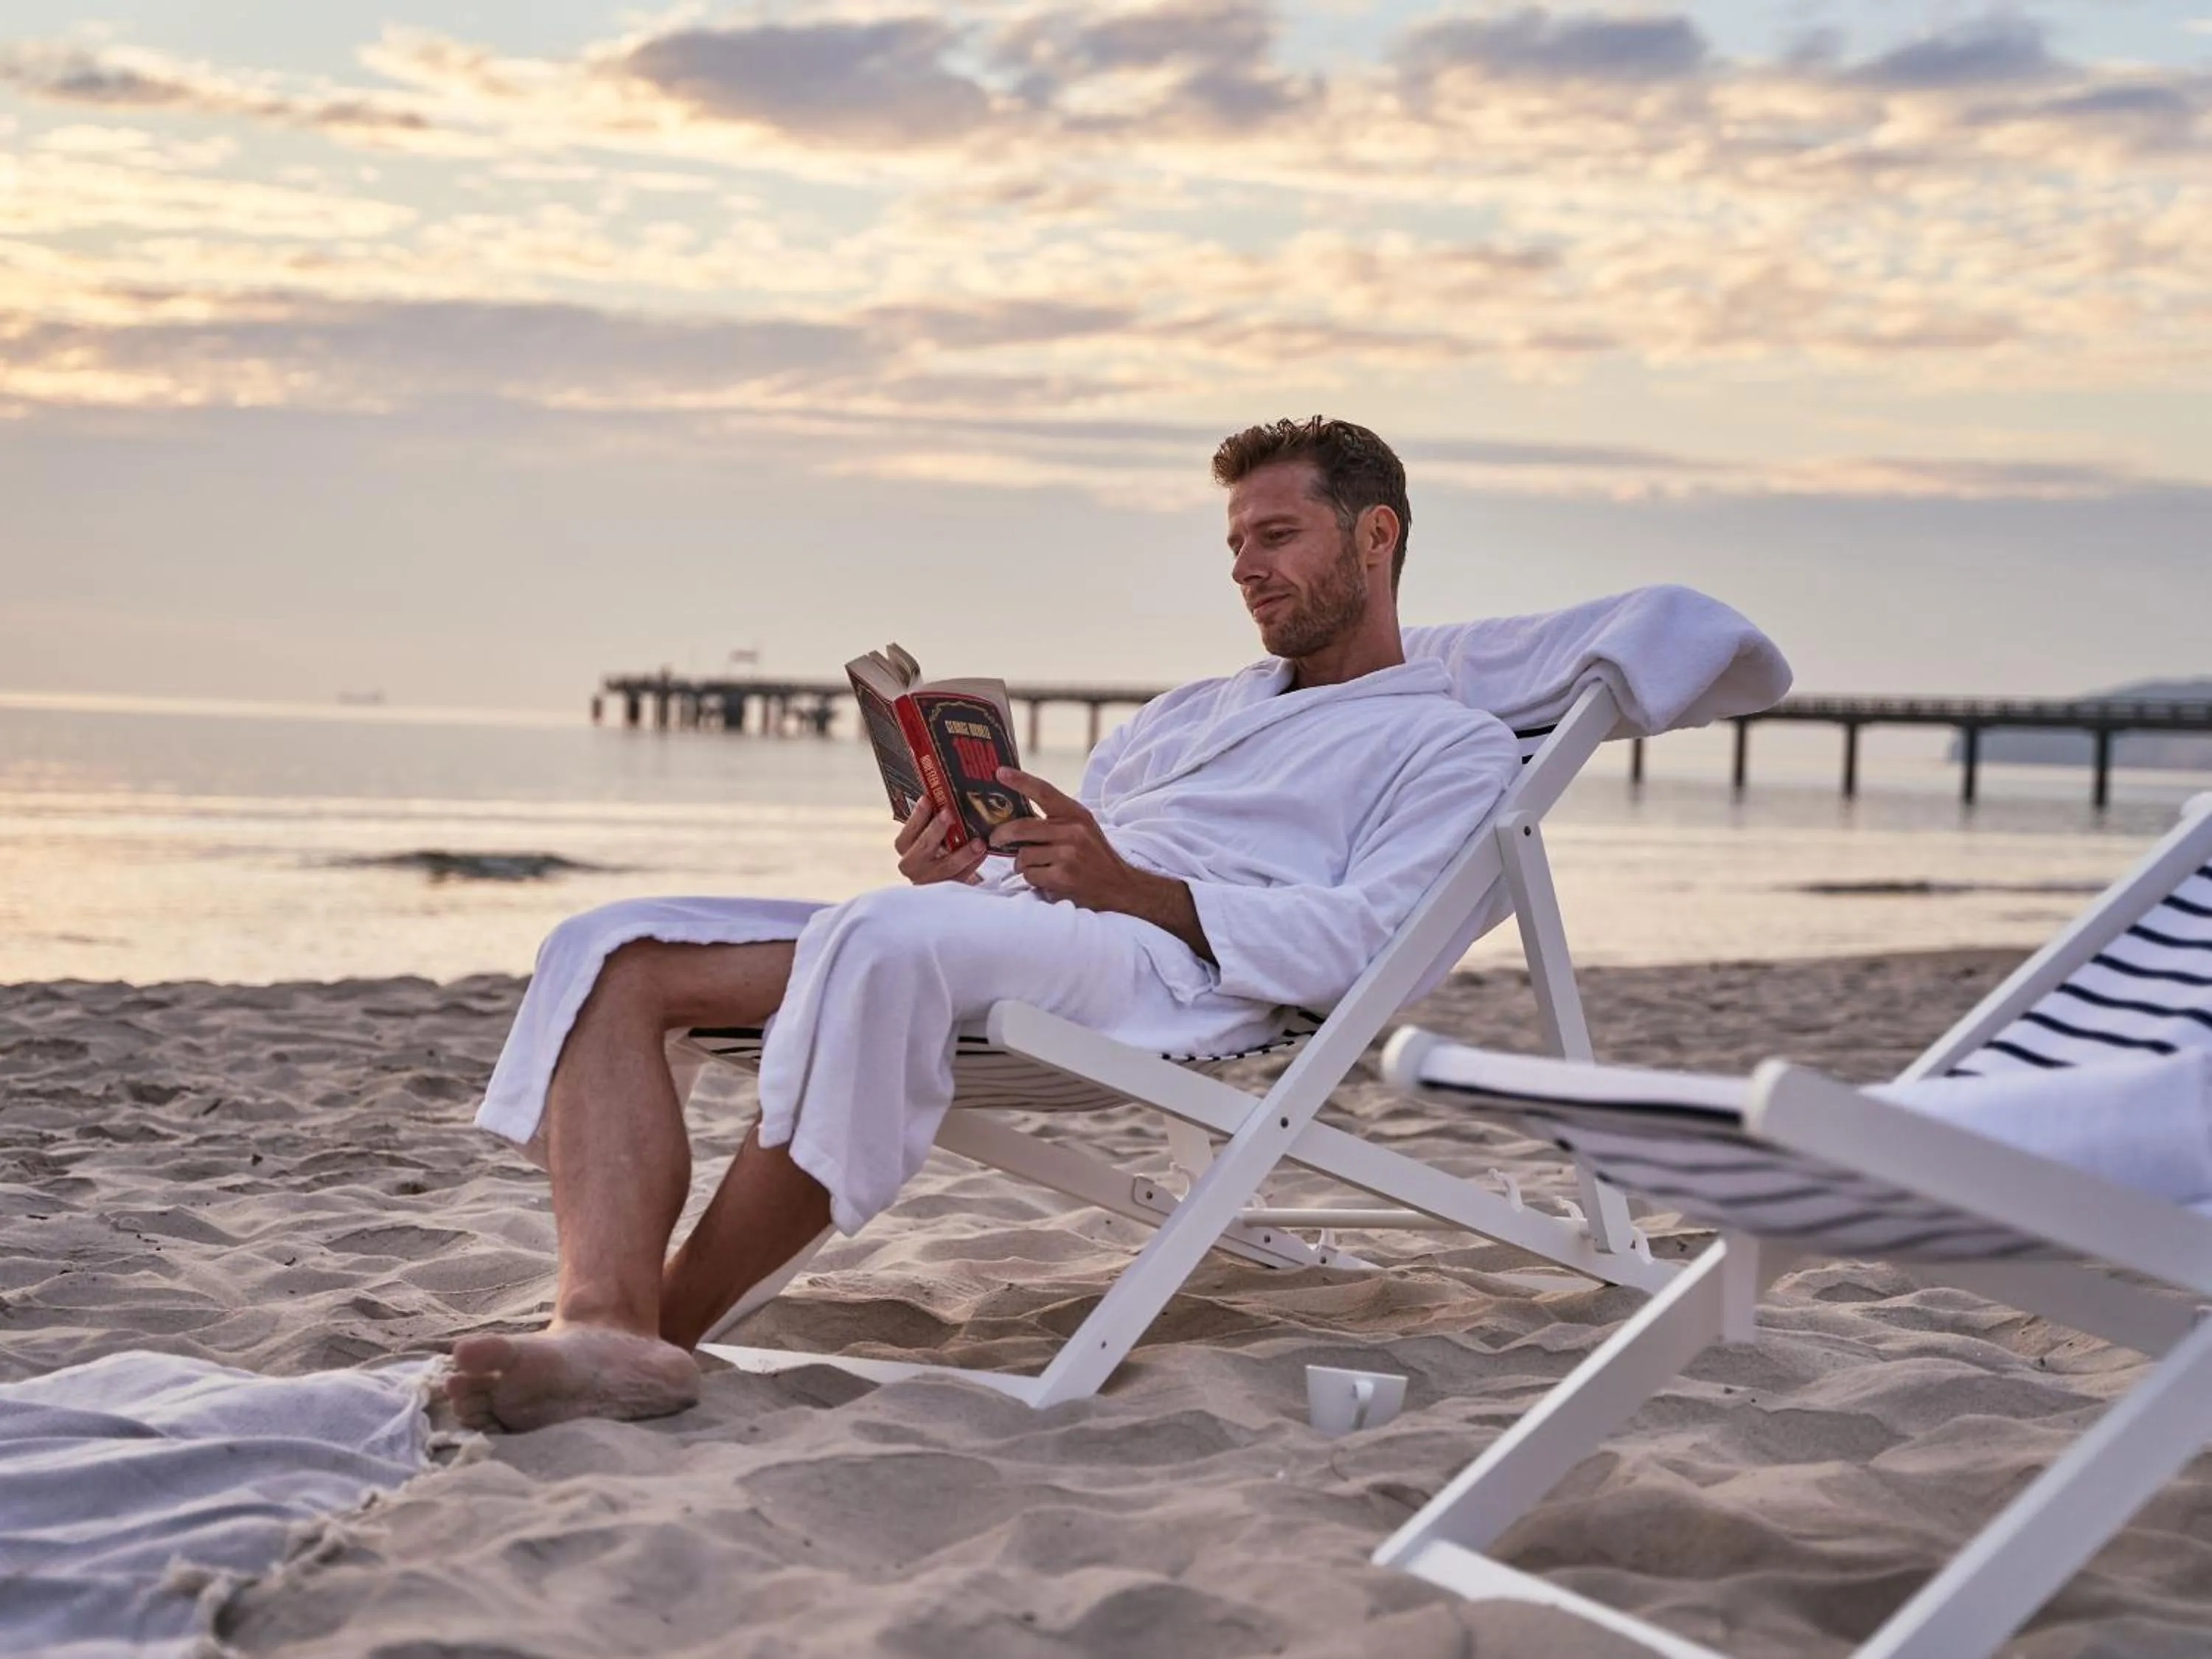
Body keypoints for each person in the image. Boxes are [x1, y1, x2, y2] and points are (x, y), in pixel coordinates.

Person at [445, 417, 1521, 1431]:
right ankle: (597, 1323)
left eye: (1277, 535)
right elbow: (1047, 874)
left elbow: (1374, 943)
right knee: (615, 945)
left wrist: (1129, 886)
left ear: (1375, 537)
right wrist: (955, 864)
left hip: (1176, 964)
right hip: (1038, 924)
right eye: (1235, 540)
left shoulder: (1449, 746)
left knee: (880, 944)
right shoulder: (1190, 713)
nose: (1245, 565)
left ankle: (661, 1330)